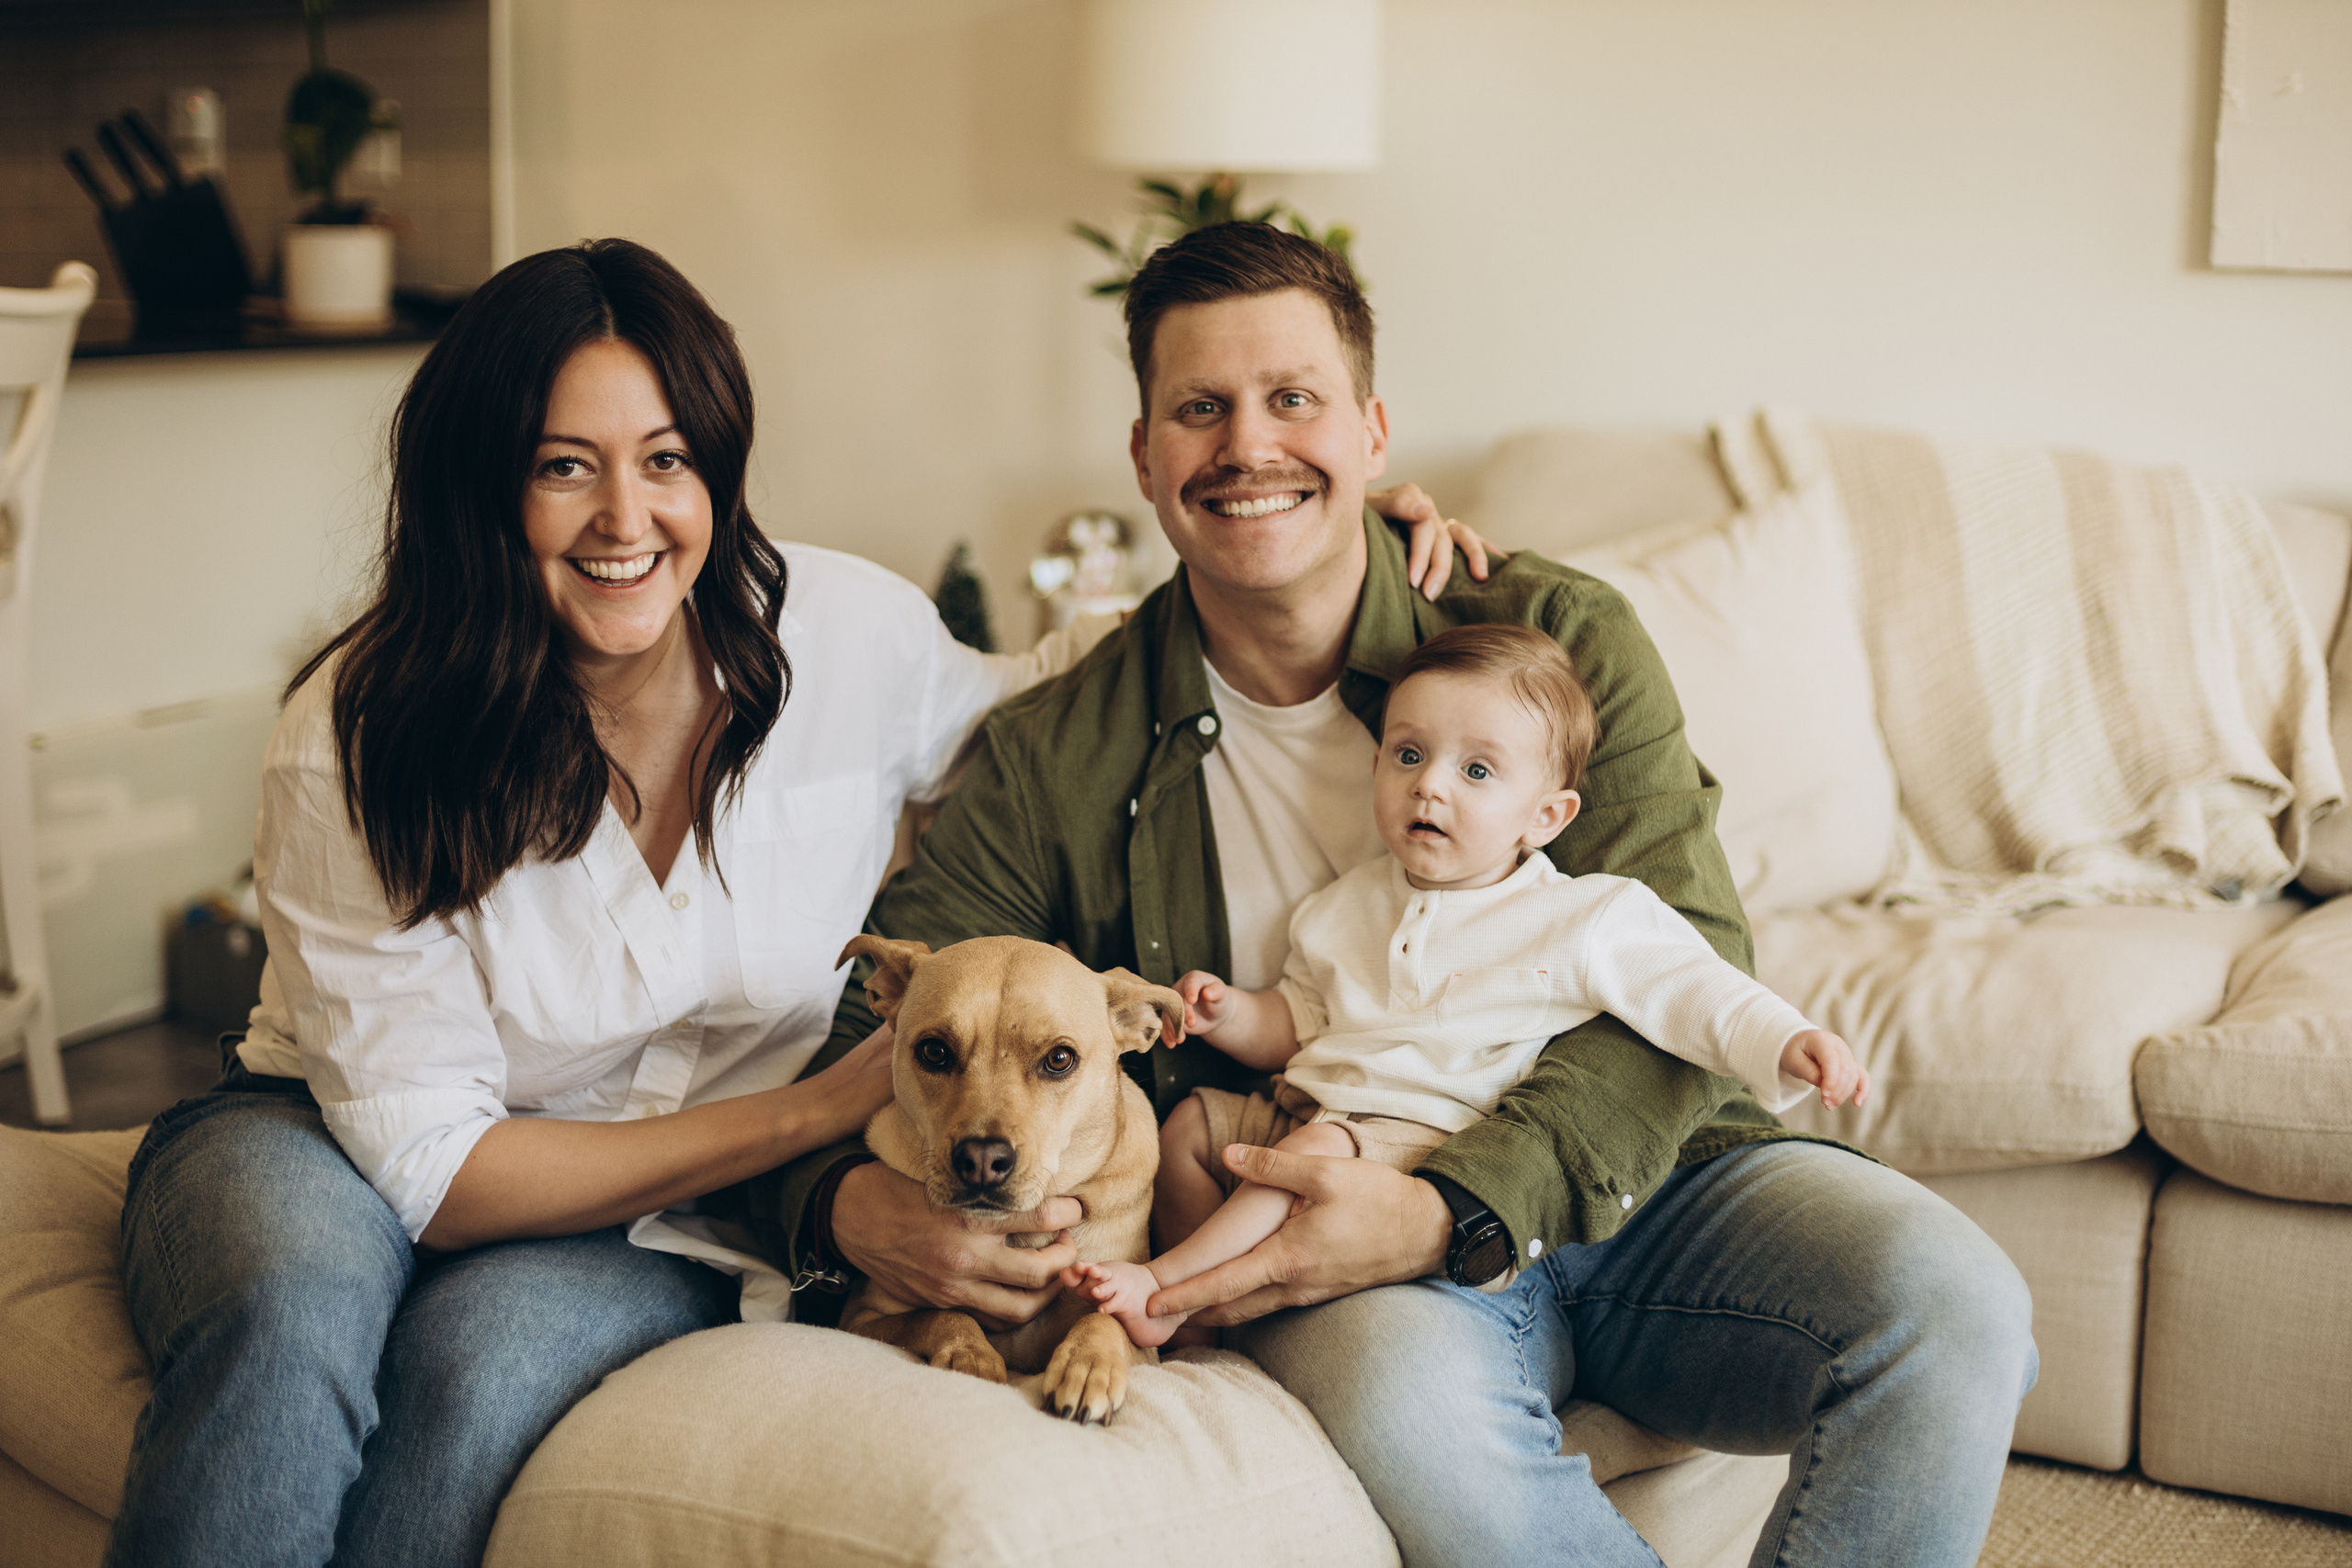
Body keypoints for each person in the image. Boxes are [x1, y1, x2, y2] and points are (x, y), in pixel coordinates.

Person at [100, 235, 1492, 1568]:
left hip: (655, 1215)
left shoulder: (839, 632)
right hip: (326, 1133)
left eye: (667, 462)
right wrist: (811, 1119)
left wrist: (1328, 549)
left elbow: (1057, 696)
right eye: (561, 468)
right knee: (290, 1312)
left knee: (474, 1380)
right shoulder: (355, 730)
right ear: (482, 487)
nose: (625, 519)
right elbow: (432, 1168)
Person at [763, 220, 2037, 1568]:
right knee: (1408, 1409)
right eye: (1201, 408)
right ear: (1145, 457)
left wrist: (1456, 1202)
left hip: (1651, 1181)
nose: (1249, 445)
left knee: (1955, 1302)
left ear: (1373, 432)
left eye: (1293, 399)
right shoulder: (1057, 750)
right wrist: (849, 1212)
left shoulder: (1557, 639)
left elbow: (1690, 950)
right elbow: (855, 1052)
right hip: (1326, 1224)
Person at [1067, 623, 1869, 1347]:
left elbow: (1695, 989)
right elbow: (1300, 1019)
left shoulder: (1582, 916)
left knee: (1310, 1154)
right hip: (1304, 1099)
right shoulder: (1343, 904)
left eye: (1477, 769)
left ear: (1545, 816)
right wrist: (1230, 1013)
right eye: (1408, 754)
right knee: (1188, 1129)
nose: (1430, 785)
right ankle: (1221, 1333)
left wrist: (1788, 1039)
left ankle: (1170, 1289)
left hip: (1422, 1135)